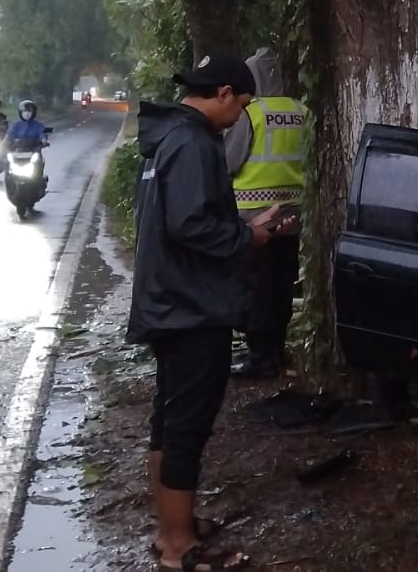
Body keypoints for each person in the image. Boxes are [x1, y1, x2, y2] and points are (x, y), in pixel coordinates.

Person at [128, 51, 292, 572]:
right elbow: (192, 225)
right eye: (241, 105)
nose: (241, 115)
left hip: (167, 300)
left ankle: (171, 530)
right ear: (222, 93)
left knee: (168, 419)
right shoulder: (195, 143)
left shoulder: (165, 139)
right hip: (192, 307)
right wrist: (251, 234)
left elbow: (175, 217)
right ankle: (179, 549)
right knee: (186, 428)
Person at [222, 47, 307, 380]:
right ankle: (277, 349)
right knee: (282, 286)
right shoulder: (301, 111)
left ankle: (259, 356)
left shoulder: (250, 113)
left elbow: (230, 160)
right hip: (291, 216)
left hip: (251, 217)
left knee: (256, 288)